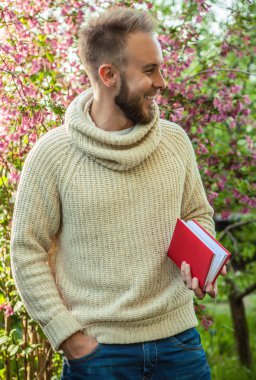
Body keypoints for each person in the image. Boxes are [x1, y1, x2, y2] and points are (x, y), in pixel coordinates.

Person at [11, 7, 226, 380]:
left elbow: (196, 213)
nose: (162, 82)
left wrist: (201, 260)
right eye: (149, 70)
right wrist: (70, 338)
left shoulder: (174, 142)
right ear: (108, 75)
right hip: (98, 355)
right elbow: (26, 251)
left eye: (160, 67)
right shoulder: (53, 155)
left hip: (179, 345)